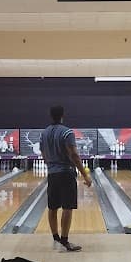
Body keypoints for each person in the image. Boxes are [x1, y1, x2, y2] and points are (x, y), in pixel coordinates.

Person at [40, 105, 91, 252]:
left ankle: (55, 238)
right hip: (66, 173)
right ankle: (65, 240)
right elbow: (74, 155)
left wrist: (51, 165)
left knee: (52, 207)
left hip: (52, 173)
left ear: (51, 115)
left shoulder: (44, 133)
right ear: (63, 115)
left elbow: (43, 154)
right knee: (67, 207)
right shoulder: (67, 132)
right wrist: (85, 174)